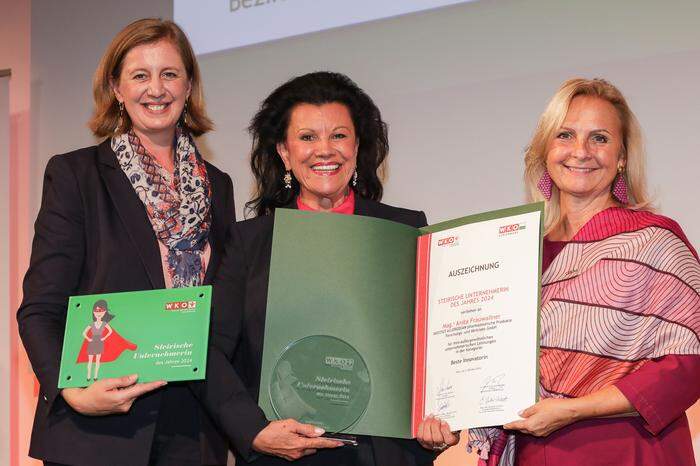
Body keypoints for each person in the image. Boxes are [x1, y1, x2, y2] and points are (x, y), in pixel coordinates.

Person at [17, 18, 235, 466]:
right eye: (140, 75)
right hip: (99, 427)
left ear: (189, 84)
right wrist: (71, 390)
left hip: (192, 430)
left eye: (169, 74)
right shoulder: (76, 175)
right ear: (116, 88)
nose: (156, 89)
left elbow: (225, 309)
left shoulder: (218, 185)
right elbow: (40, 308)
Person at [450, 78, 699, 465]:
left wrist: (573, 409)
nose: (580, 151)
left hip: (628, 448)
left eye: (599, 138)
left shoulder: (653, 242)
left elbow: (688, 362)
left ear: (622, 157)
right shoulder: (515, 254)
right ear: (546, 151)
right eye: (565, 135)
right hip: (533, 450)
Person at [196, 71, 438, 465]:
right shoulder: (249, 243)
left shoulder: (403, 231)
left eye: (339, 136)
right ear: (284, 152)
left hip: (384, 454)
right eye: (307, 137)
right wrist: (253, 431)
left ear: (357, 146)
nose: (325, 150)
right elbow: (208, 350)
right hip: (283, 454)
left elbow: (431, 342)